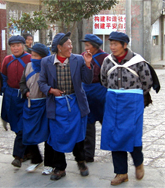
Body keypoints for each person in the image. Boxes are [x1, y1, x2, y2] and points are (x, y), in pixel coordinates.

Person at [100, 31, 160, 186]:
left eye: (115, 44)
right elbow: (103, 80)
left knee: (131, 133)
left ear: (124, 45)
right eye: (110, 44)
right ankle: (121, 173)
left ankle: (138, 162)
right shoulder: (107, 61)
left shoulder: (138, 61)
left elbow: (146, 83)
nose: (112, 47)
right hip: (113, 101)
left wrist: (131, 93)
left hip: (132, 103)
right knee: (114, 136)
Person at [38, 32, 93, 180]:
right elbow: (41, 82)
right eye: (68, 44)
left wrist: (88, 64)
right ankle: (60, 168)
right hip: (56, 104)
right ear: (59, 47)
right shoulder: (46, 62)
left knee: (78, 134)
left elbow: (87, 81)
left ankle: (81, 162)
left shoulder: (78, 60)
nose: (71, 46)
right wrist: (51, 90)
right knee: (57, 136)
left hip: (75, 103)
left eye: (71, 44)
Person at [19, 43, 54, 175]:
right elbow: (22, 83)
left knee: (47, 135)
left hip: (45, 105)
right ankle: (36, 159)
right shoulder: (28, 66)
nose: (32, 58)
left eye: (36, 56)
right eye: (32, 55)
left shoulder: (49, 68)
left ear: (44, 57)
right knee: (28, 133)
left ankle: (49, 164)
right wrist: (25, 91)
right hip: (30, 105)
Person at [1, 35, 32, 168]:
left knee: (22, 125)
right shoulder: (7, 60)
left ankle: (18, 156)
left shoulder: (30, 59)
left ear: (23, 45)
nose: (15, 48)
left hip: (25, 96)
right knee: (15, 124)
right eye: (13, 46)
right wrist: (4, 91)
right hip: (11, 96)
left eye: (18, 45)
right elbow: (3, 77)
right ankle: (28, 152)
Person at [80, 34, 108, 162]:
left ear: (95, 46)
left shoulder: (106, 58)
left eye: (88, 45)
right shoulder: (82, 56)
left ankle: (115, 148)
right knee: (88, 124)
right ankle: (88, 154)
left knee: (107, 122)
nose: (86, 48)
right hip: (86, 92)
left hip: (101, 92)